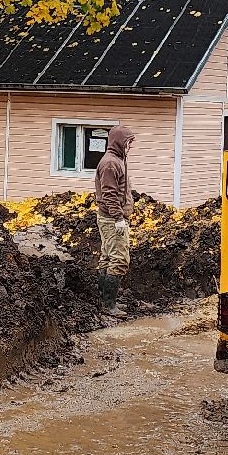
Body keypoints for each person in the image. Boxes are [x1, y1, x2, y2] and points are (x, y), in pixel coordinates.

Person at [93, 125, 134, 314]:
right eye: (129, 142)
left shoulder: (117, 160)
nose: (130, 146)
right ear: (119, 142)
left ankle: (104, 302)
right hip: (111, 219)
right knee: (118, 260)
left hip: (110, 217)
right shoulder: (111, 163)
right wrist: (118, 218)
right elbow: (109, 194)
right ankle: (108, 305)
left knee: (108, 257)